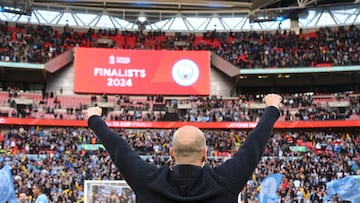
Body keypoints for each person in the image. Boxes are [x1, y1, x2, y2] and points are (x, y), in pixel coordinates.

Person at [86, 93, 282, 203]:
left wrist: (94, 119)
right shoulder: (226, 181)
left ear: (171, 153)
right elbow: (253, 146)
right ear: (205, 154)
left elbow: (119, 148)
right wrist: (272, 108)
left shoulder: (147, 180)